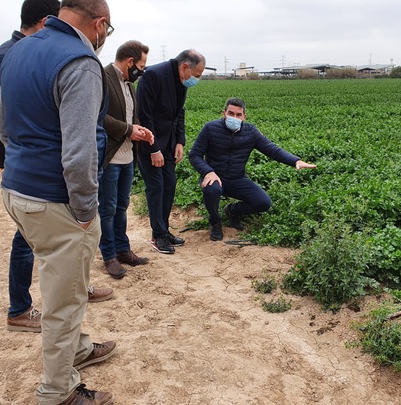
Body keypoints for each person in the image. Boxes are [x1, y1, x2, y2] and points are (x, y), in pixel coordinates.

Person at [0, 0, 116, 403]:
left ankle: (78, 350)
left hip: (17, 191)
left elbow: (2, 127)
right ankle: (58, 392)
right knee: (63, 299)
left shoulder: (20, 49)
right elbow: (80, 153)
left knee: (67, 284)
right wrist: (84, 211)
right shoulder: (81, 62)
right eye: (107, 32)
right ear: (99, 24)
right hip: (57, 200)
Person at [189, 97, 317, 241]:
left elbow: (272, 149)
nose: (234, 117)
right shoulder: (210, 128)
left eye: (238, 115)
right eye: (231, 114)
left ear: (244, 116)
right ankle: (215, 221)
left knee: (263, 202)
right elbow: (194, 155)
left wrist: (295, 161)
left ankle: (232, 211)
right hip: (215, 177)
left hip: (237, 178)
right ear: (224, 113)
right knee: (211, 189)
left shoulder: (251, 132)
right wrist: (208, 171)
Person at [136, 49, 206, 254]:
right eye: (197, 75)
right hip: (149, 143)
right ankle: (157, 235)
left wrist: (180, 142)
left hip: (169, 143)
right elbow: (144, 115)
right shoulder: (153, 76)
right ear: (185, 67)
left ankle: (164, 230)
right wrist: (153, 148)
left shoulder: (181, 82)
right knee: (156, 187)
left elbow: (179, 113)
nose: (197, 79)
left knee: (169, 185)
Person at [100, 40, 154, 278]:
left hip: (127, 156)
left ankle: (123, 250)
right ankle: (109, 255)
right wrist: (127, 130)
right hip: (110, 156)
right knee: (108, 209)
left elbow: (131, 117)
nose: (142, 71)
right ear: (130, 61)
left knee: (122, 207)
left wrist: (140, 130)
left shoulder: (130, 84)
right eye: (140, 66)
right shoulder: (102, 77)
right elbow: (97, 116)